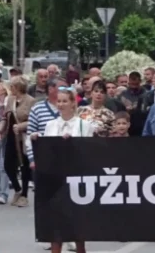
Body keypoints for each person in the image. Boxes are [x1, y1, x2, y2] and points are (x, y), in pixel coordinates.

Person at [43, 88, 91, 253]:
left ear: (72, 104)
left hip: (77, 177)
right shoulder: (50, 125)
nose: (61, 104)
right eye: (59, 101)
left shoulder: (84, 125)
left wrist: (72, 143)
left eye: (65, 101)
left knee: (77, 221)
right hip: (55, 178)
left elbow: (88, 150)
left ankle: (80, 249)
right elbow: (46, 150)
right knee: (55, 221)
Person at [0, 76, 33, 208]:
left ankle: (24, 195)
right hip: (11, 136)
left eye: (12, 86)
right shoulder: (10, 99)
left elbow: (33, 120)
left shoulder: (30, 101)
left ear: (18, 87)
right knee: (7, 165)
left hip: (23, 137)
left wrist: (21, 126)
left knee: (24, 166)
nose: (10, 88)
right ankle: (17, 189)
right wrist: (0, 129)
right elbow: (5, 117)